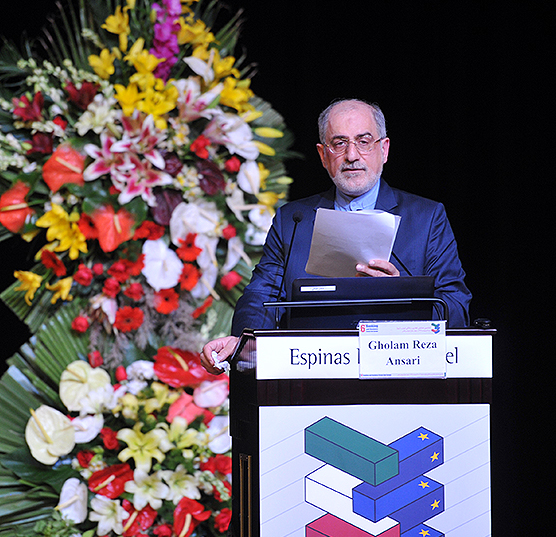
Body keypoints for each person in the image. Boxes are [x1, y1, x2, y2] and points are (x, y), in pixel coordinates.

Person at [200, 98, 471, 373]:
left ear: (384, 149)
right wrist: (245, 341)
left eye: (364, 142)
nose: (352, 155)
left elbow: (456, 308)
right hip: (310, 372)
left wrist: (402, 295)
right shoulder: (293, 220)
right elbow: (261, 296)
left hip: (400, 374)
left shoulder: (426, 218)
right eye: (339, 143)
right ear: (323, 155)